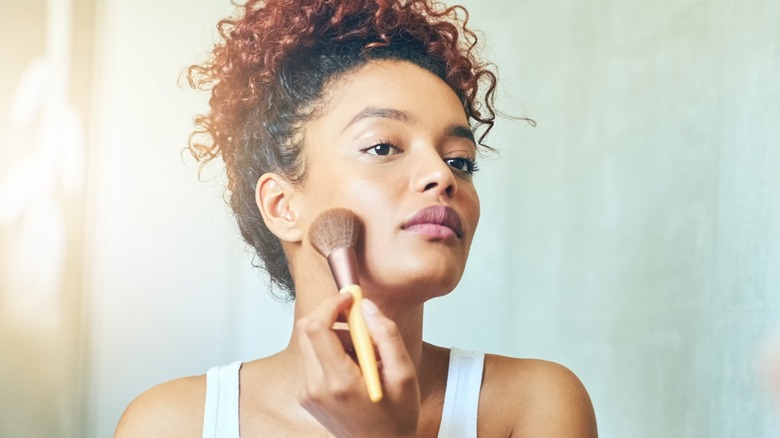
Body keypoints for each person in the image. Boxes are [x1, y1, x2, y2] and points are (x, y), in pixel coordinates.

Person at [115, 0, 597, 436]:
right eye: (383, 147)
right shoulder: (170, 423)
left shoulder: (533, 404)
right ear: (282, 205)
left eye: (459, 160)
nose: (441, 175)